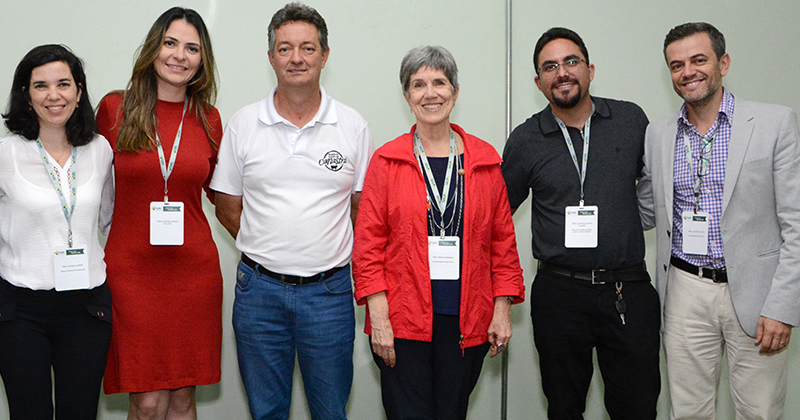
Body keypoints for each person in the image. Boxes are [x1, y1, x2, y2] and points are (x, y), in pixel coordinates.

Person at [210, 3, 374, 419]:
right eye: (285, 49)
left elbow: (360, 208)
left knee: (330, 410)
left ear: (324, 55)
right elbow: (227, 206)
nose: (296, 58)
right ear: (271, 58)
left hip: (330, 293)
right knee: (267, 412)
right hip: (259, 292)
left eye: (307, 48)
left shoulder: (352, 125)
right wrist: (270, 243)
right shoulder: (244, 124)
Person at [638, 22, 800, 419]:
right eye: (676, 65)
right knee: (688, 411)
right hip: (684, 290)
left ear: (723, 63)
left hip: (758, 294)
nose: (687, 72)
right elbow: (644, 211)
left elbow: (796, 223)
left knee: (759, 412)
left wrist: (783, 306)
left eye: (698, 60)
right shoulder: (658, 135)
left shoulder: (774, 123)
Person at [353, 45, 525, 420]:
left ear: (455, 92)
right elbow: (368, 248)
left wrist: (502, 309)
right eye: (418, 85)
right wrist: (380, 319)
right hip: (402, 322)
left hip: (467, 320)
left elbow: (503, 244)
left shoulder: (484, 161)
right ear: (407, 97)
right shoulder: (386, 162)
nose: (430, 93)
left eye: (439, 82)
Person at [502, 27, 661, 419]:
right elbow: (495, 216)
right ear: (538, 82)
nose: (562, 73)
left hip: (628, 289)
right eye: (550, 67)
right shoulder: (525, 139)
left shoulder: (630, 119)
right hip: (559, 294)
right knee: (564, 407)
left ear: (589, 69)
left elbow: (660, 185)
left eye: (571, 62)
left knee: (637, 408)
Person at [95, 7, 223, 420]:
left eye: (192, 48)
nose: (179, 56)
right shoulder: (115, 109)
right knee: (146, 401)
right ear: (153, 48)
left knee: (183, 398)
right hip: (132, 275)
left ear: (202, 60)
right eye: (170, 43)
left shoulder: (209, 119)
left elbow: (227, 197)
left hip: (193, 275)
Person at [0, 44, 113, 420]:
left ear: (79, 92)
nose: (53, 96)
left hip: (86, 307)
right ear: (25, 95)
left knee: (79, 413)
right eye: (40, 86)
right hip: (19, 310)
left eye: (63, 84)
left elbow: (107, 219)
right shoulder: (6, 154)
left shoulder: (100, 150)